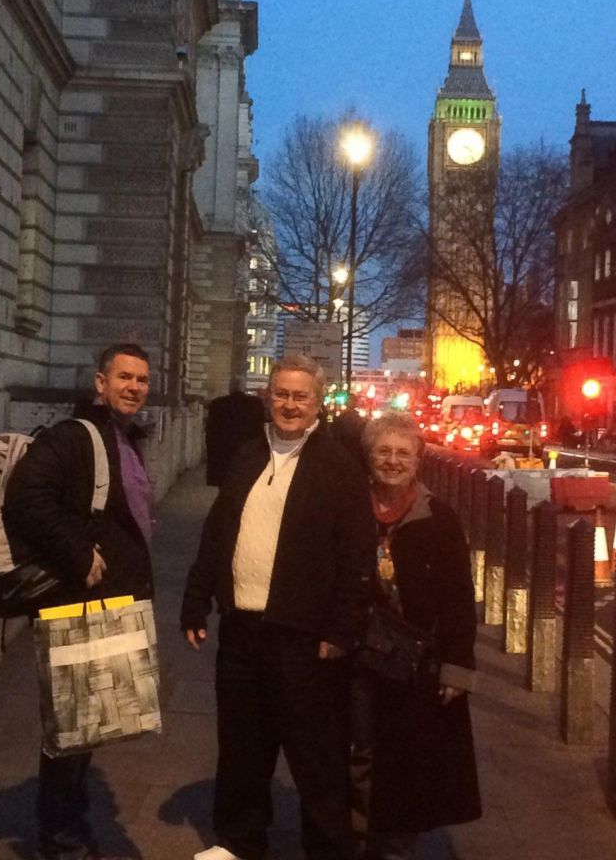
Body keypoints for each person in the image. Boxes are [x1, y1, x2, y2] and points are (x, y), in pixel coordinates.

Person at [181, 354, 375, 860]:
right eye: (281, 394)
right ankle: (240, 843)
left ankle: (328, 850)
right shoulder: (247, 455)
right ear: (269, 396)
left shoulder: (339, 467)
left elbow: (357, 558)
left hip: (305, 636)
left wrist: (341, 630)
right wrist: (196, 599)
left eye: (300, 396)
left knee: (315, 758)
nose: (290, 404)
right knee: (242, 749)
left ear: (318, 403)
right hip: (243, 630)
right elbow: (218, 531)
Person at [3, 343, 155, 860]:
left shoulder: (121, 436)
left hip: (103, 604)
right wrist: (76, 555)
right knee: (69, 731)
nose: (134, 387)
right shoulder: (76, 435)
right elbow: (26, 497)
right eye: (124, 378)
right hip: (75, 603)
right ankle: (61, 839)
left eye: (141, 380)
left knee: (84, 727)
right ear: (99, 382)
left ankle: (71, 826)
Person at [350, 412, 481, 860]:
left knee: (406, 759)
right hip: (357, 655)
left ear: (418, 460)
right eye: (383, 451)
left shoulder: (438, 518)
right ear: (369, 457)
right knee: (360, 751)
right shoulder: (349, 509)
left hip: (416, 662)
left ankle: (394, 847)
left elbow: (460, 598)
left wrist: (457, 668)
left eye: (402, 453)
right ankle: (360, 838)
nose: (392, 461)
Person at [205, 376, 266, 486]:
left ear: (230, 388)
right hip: (247, 455)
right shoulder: (255, 404)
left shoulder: (217, 404)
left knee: (223, 486)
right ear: (243, 387)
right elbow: (261, 430)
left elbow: (211, 434)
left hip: (223, 456)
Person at [331, 393, 367, 467]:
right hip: (347, 450)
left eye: (353, 401)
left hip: (351, 450)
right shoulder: (358, 419)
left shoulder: (358, 419)